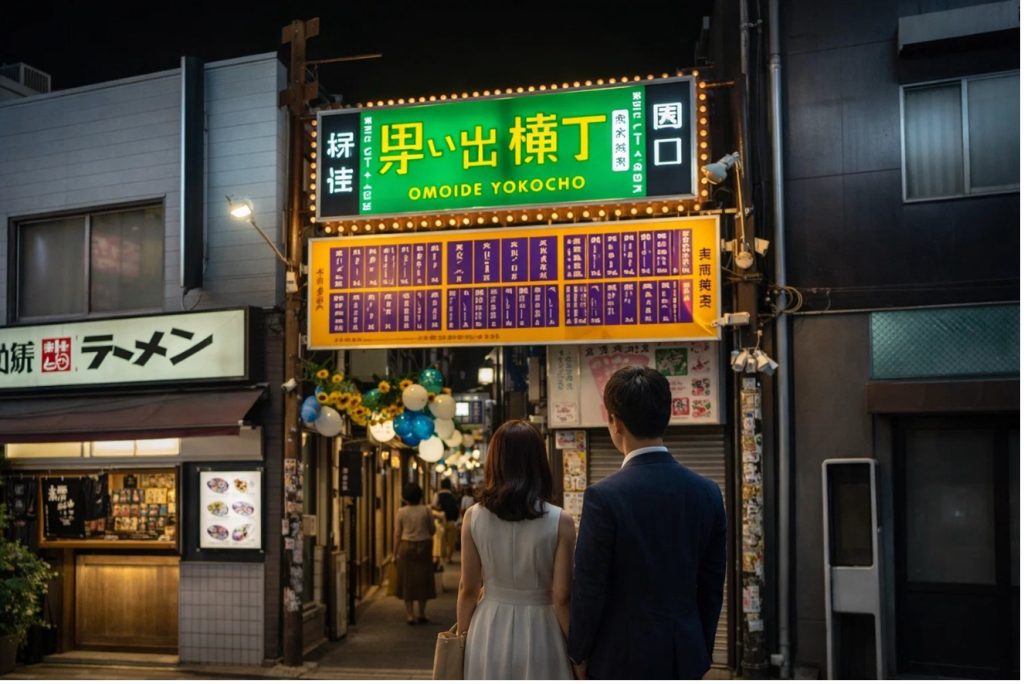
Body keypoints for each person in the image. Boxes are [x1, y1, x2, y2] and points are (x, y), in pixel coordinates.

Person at [567, 366, 726, 679]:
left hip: (619, 656)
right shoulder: (707, 492)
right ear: (666, 416)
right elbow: (712, 586)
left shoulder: (604, 496)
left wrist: (579, 652)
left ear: (615, 422)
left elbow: (589, 587)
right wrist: (699, 647)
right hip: (685, 652)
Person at [457, 420, 575, 679]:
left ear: (494, 461)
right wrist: (579, 655)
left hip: (488, 629)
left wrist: (461, 640)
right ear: (539, 462)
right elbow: (562, 596)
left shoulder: (473, 517)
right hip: (543, 630)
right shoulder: (561, 521)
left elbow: (468, 588)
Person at [393, 482, 436, 625]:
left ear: (405, 497)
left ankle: (410, 615)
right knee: (423, 579)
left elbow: (397, 534)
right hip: (424, 546)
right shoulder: (426, 510)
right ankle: (422, 613)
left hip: (406, 547)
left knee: (407, 580)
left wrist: (394, 553)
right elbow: (432, 530)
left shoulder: (401, 512)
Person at [431, 478, 459, 563]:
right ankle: (449, 558)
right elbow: (456, 508)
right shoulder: (453, 495)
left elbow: (433, 506)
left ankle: (442, 556)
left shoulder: (437, 495)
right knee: (451, 541)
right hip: (451, 521)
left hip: (440, 522)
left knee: (441, 540)